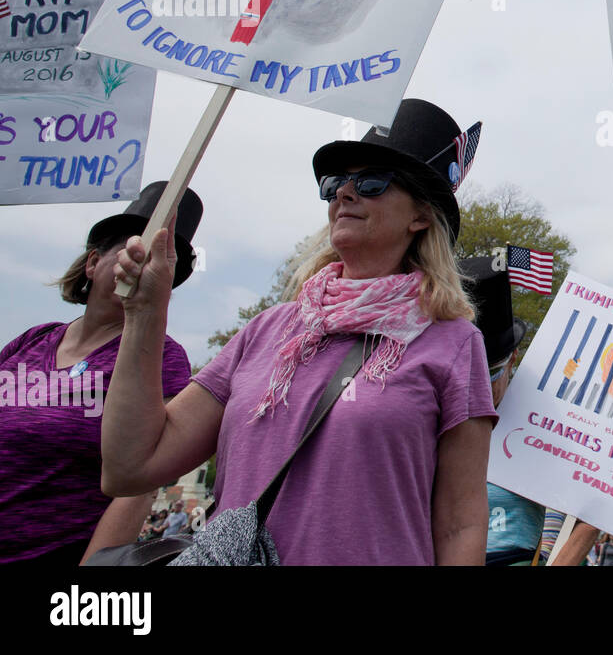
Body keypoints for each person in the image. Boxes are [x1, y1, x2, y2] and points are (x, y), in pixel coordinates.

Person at [101, 99, 497, 565]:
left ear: (421, 216)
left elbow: (461, 522)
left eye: (371, 183)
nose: (344, 195)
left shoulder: (453, 343)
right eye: (335, 185)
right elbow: (130, 467)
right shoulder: (268, 329)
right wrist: (146, 314)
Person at [0, 182, 200, 565]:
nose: (142, 263)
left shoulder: (161, 357)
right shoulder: (31, 341)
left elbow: (138, 487)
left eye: (161, 258)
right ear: (93, 262)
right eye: (133, 248)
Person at [471, 256, 601, 567]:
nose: (478, 386)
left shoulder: (542, 421)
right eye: (467, 373)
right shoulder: (434, 420)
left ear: (513, 359)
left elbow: (594, 510)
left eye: (491, 373)